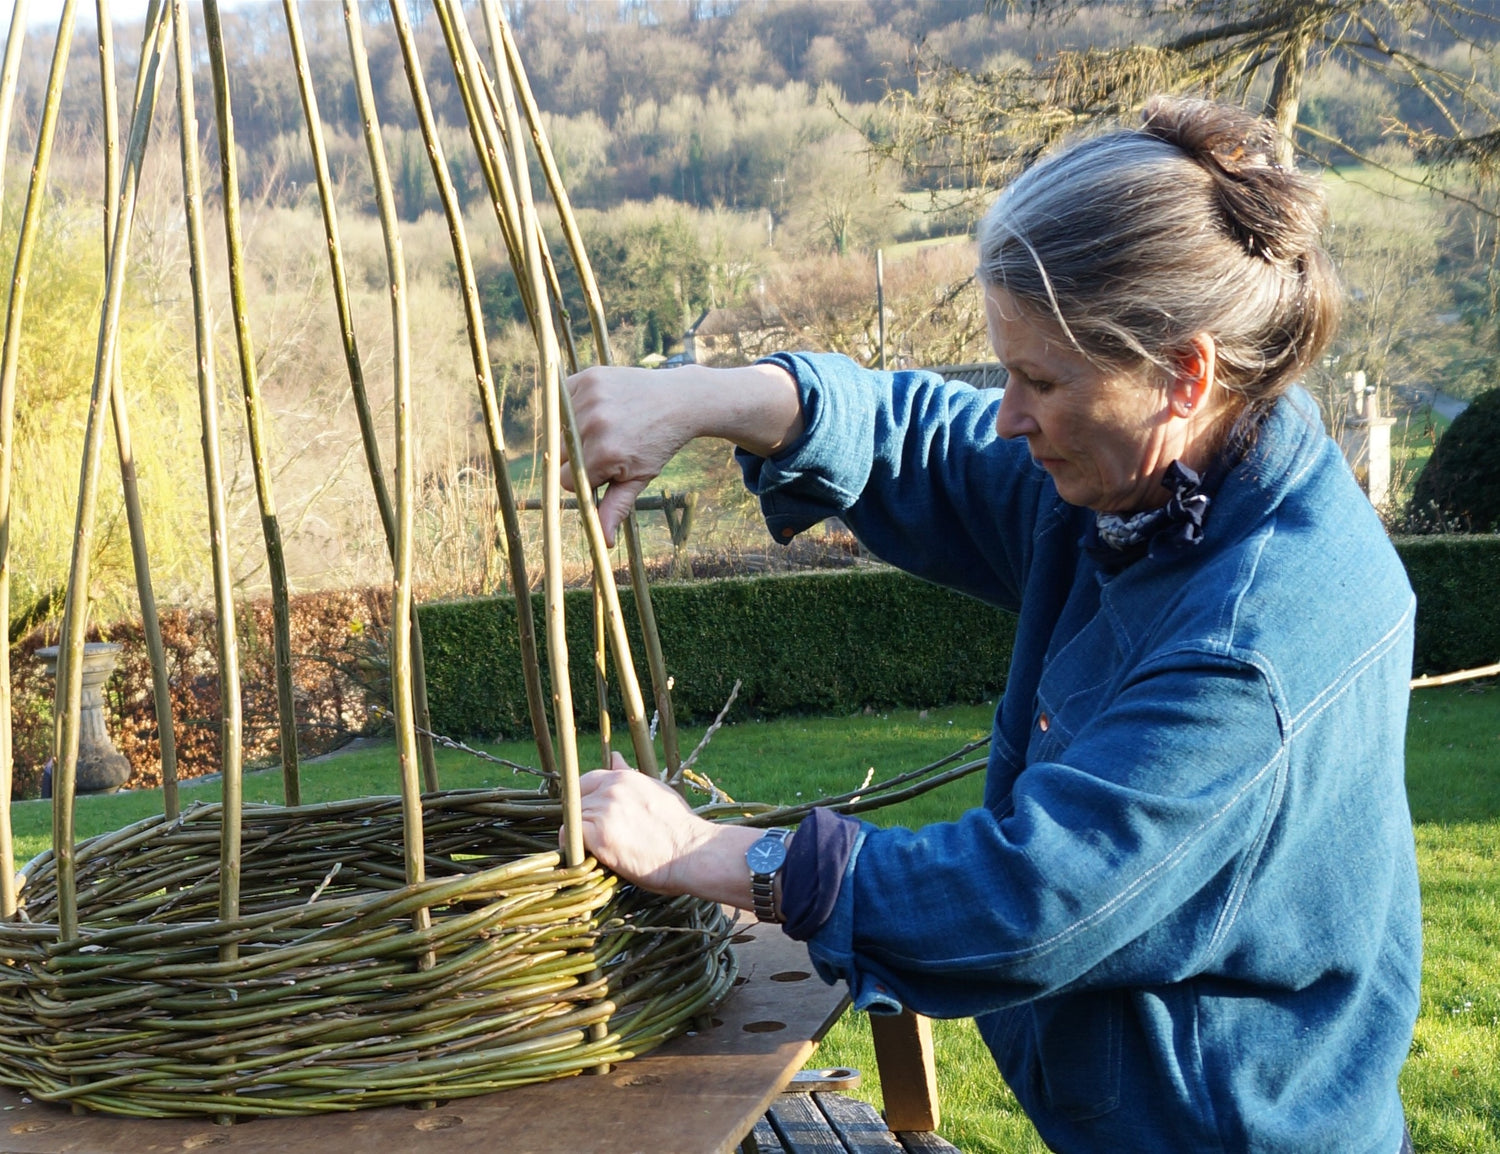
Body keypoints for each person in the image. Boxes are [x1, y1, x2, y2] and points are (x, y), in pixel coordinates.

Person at [563, 97, 1420, 1154]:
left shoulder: (1254, 636)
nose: (1010, 416)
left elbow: (1028, 897)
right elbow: (926, 440)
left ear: (1182, 373)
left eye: (1040, 379)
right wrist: (695, 397)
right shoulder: (1161, 466)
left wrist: (716, 852)